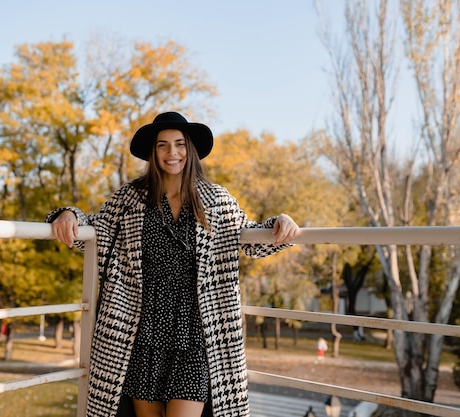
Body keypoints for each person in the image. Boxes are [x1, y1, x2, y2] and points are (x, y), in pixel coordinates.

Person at [47, 111, 300, 417]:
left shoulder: (216, 200)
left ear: (190, 149)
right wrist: (67, 214)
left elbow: (250, 238)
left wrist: (282, 223)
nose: (172, 153)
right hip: (143, 328)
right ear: (153, 152)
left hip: (196, 330)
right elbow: (93, 229)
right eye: (163, 145)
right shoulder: (130, 198)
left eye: (179, 144)